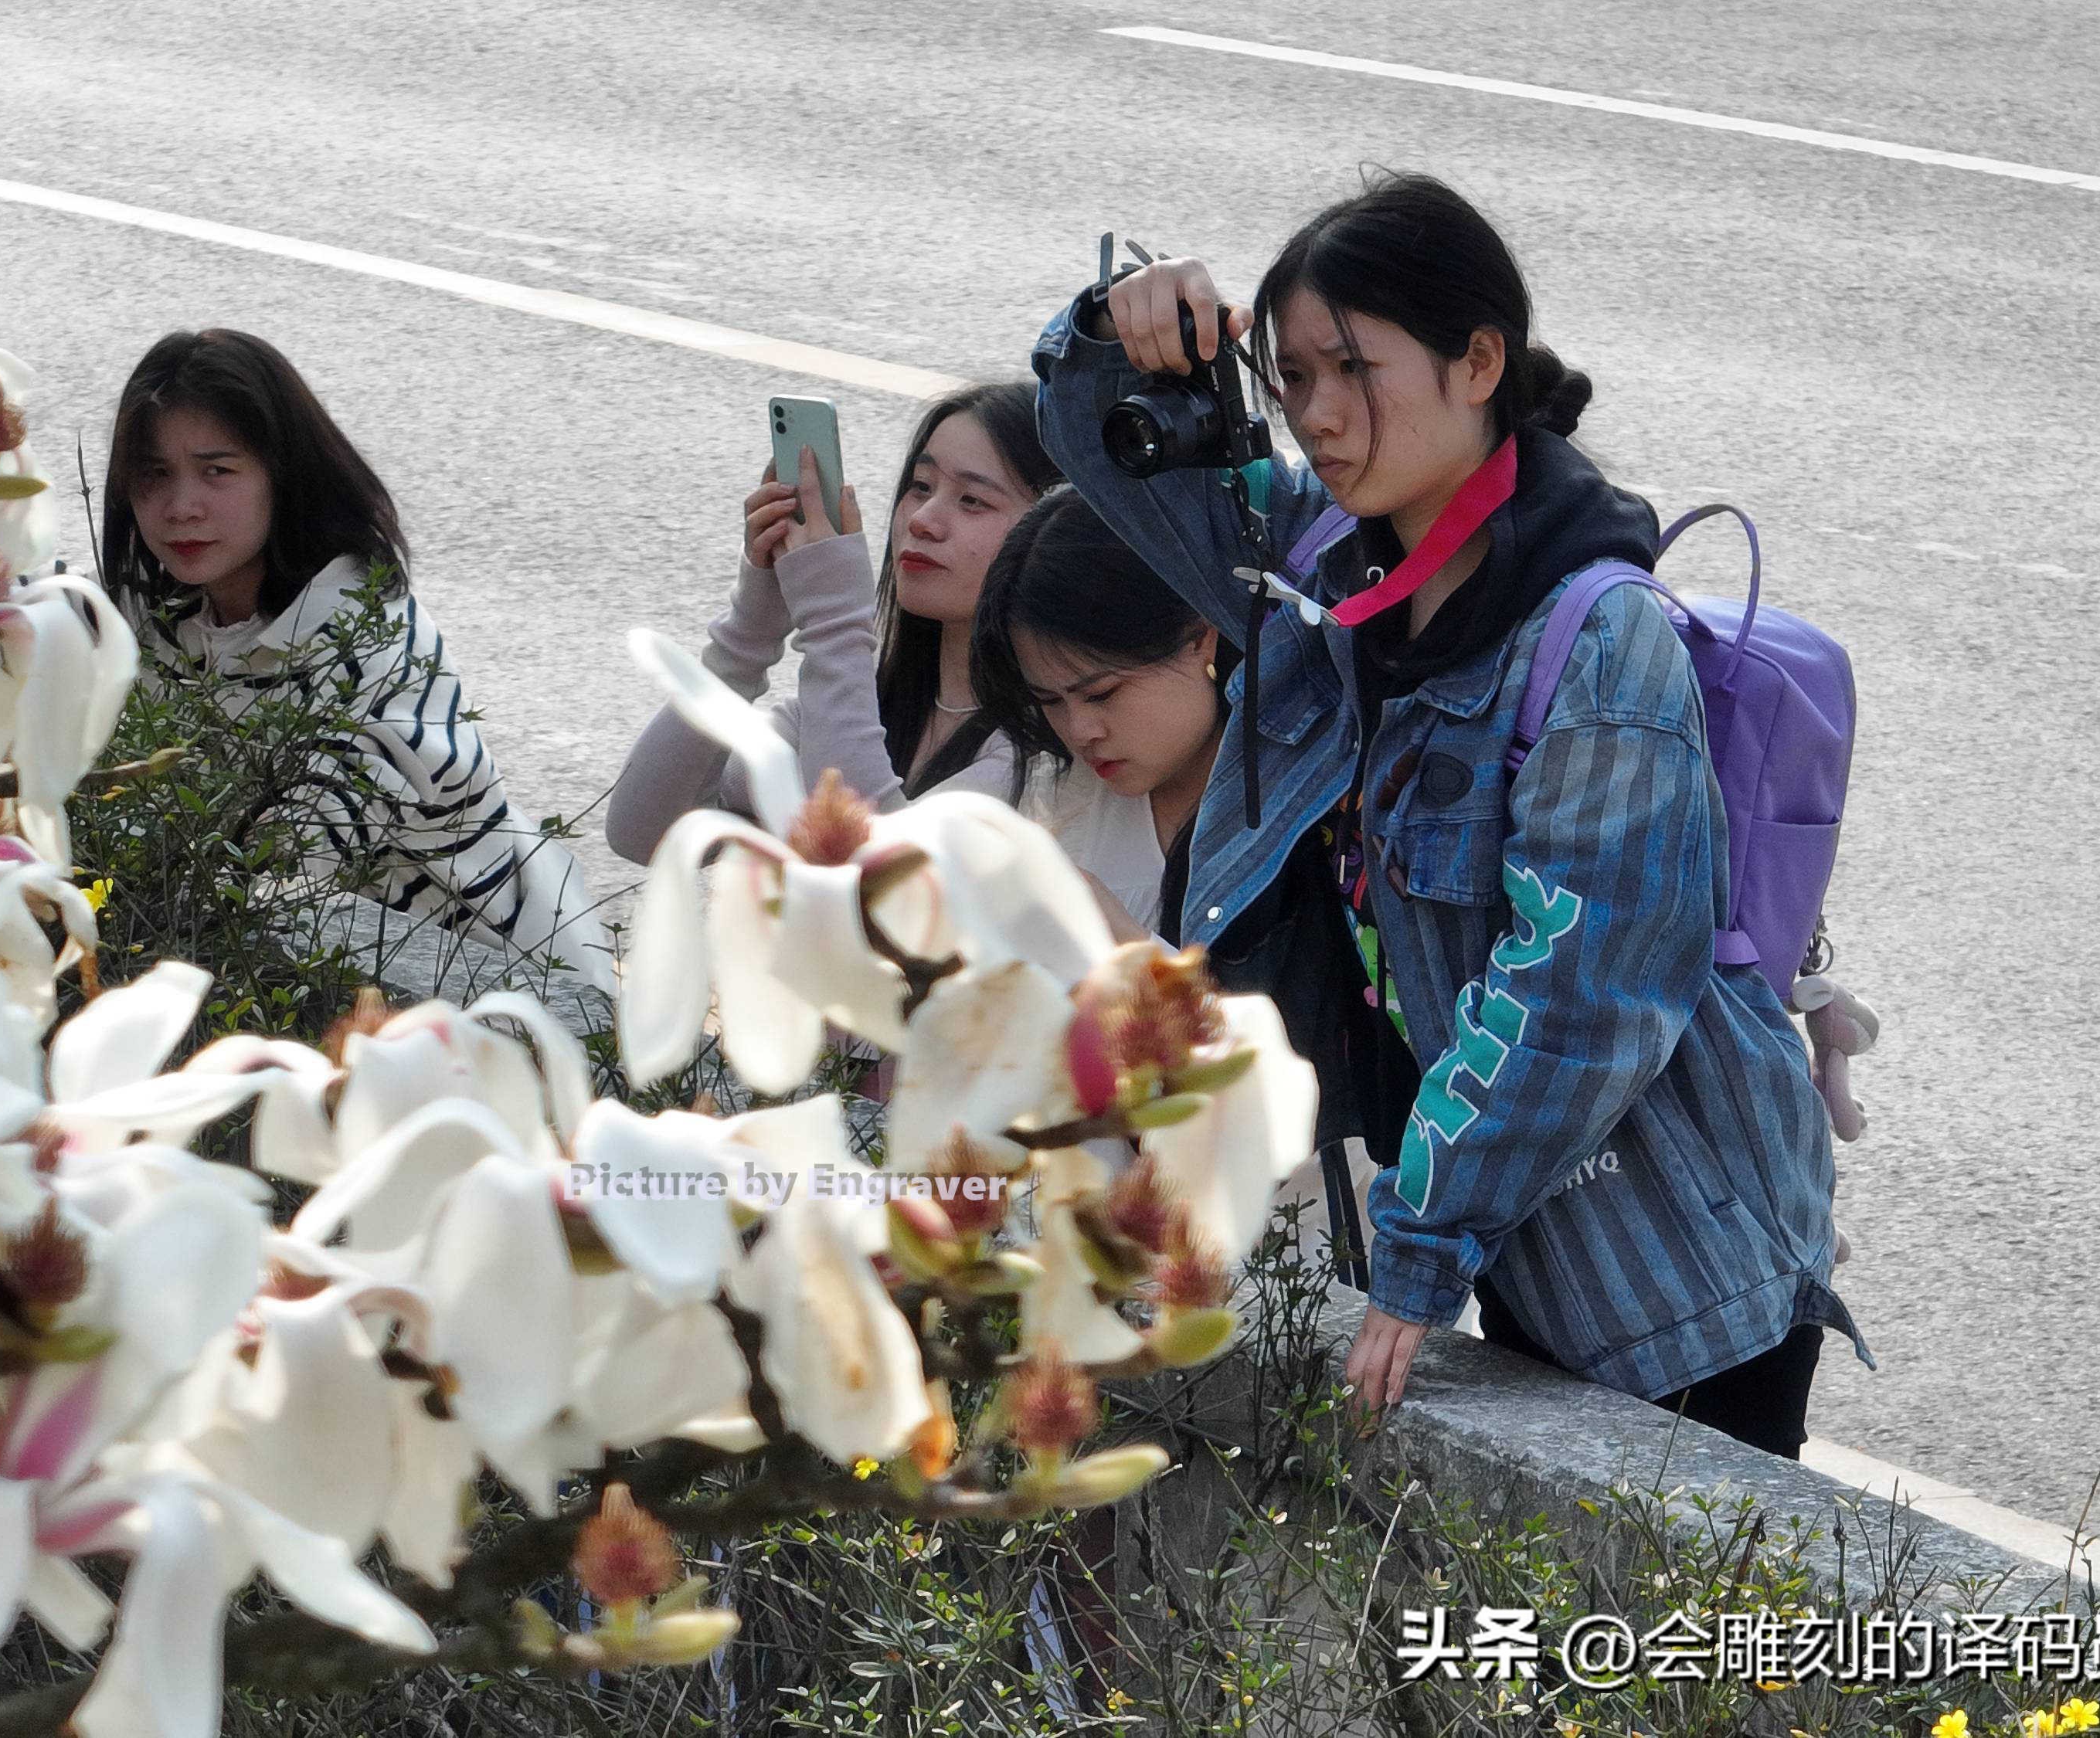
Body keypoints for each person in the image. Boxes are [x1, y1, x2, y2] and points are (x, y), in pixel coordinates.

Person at [1031, 171, 1868, 1460]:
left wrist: (1419, 1250)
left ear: (1477, 362)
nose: (1313, 415)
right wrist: (1117, 331)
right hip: (1530, 1237)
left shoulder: (1596, 643)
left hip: (1687, 1281)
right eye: (1289, 374)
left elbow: (1583, 991)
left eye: (1350, 369)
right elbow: (1130, 480)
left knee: (1643, 1653)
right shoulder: (1337, 575)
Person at [100, 328, 609, 971]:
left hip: (488, 989)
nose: (181, 507)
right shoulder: (154, 618)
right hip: (304, 967)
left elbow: (265, 866)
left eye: (217, 471)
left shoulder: (367, 645)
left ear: (282, 476)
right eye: (153, 475)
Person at [605, 382, 1062, 864]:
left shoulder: (1050, 749)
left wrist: (835, 626)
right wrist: (748, 634)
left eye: (972, 500)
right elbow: (645, 833)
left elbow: (874, 880)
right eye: (920, 487)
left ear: (1050, 532)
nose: (923, 520)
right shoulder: (855, 711)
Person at [965, 487, 1224, 941]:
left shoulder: (1316, 808)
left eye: (1102, 693)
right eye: (1048, 701)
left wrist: (1132, 952)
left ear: (1201, 637)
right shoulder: (1043, 791)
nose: (1079, 732)